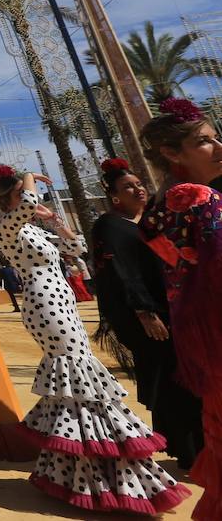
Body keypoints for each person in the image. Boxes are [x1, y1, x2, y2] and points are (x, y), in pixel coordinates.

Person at [0, 163, 185, 513]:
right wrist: (30, 179)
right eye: (21, 194)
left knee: (78, 384)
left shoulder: (32, 229)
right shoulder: (5, 226)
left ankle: (74, 469)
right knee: (79, 378)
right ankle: (94, 466)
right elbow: (30, 200)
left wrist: (56, 223)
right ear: (9, 199)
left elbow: (78, 249)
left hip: (62, 302)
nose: (31, 199)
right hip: (45, 304)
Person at [137, 99, 222, 519]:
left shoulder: (156, 209)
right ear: (172, 153)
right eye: (204, 141)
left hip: (203, 342)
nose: (219, 146)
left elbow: (176, 266)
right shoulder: (199, 197)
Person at [91, 156, 203, 474]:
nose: (138, 189)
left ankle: (187, 446)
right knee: (172, 379)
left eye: (139, 184)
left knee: (179, 378)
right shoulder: (110, 226)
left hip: (171, 310)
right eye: (129, 187)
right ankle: (191, 451)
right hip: (147, 316)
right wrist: (144, 311)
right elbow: (120, 270)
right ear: (114, 196)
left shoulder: (147, 222)